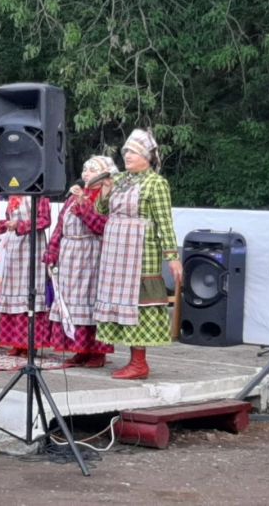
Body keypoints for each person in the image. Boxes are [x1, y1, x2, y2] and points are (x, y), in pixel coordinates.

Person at [94, 129, 183, 379]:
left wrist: (172, 256)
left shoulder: (156, 183)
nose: (127, 156)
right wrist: (105, 190)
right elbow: (101, 210)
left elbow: (164, 221)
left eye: (132, 152)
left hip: (141, 250)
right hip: (116, 251)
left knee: (138, 302)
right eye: (125, 152)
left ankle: (139, 362)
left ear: (146, 156)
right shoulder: (121, 179)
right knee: (120, 301)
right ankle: (131, 359)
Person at [43, 155, 116, 367]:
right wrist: (52, 253)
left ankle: (96, 352)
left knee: (89, 301)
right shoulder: (75, 196)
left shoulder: (106, 196)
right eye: (85, 170)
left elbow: (104, 226)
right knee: (69, 302)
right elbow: (60, 227)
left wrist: (84, 208)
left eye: (91, 171)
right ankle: (78, 349)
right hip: (69, 254)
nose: (86, 174)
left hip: (90, 253)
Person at [0, 195, 51, 356]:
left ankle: (30, 343)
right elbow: (10, 222)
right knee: (12, 293)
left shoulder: (40, 196)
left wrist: (21, 225)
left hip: (32, 246)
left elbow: (44, 220)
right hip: (14, 247)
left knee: (28, 293)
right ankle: (16, 341)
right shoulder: (14, 196)